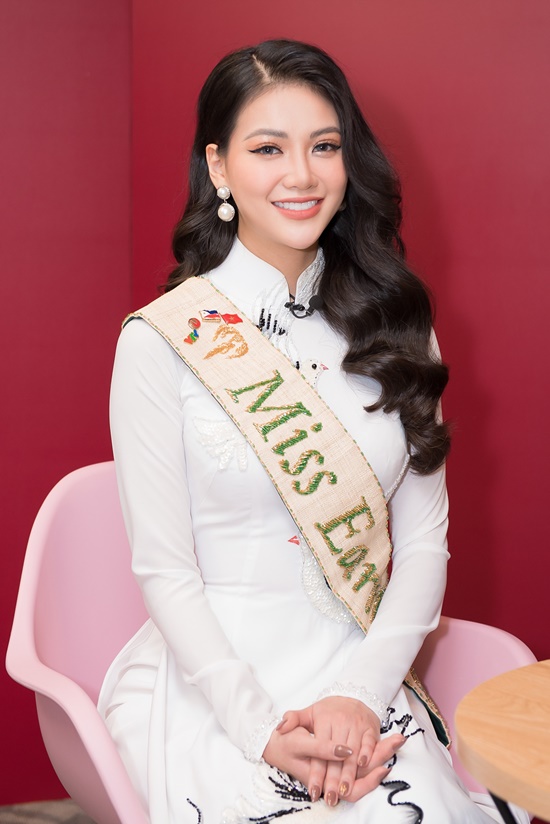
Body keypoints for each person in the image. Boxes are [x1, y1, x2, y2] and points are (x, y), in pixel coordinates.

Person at [98, 40, 526, 823]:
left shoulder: (398, 331)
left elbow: (423, 546)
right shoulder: (161, 341)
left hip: (357, 672)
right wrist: (261, 730)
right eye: (268, 149)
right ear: (219, 167)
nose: (301, 175)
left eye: (324, 146)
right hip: (216, 683)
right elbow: (164, 571)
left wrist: (361, 695)